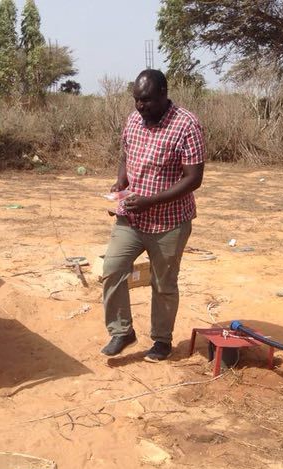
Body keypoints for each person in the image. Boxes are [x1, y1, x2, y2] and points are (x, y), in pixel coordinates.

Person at [101, 69, 206, 362]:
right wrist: (121, 182)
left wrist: (151, 201)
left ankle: (162, 339)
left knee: (163, 283)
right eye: (136, 100)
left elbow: (193, 178)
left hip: (170, 222)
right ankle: (122, 331)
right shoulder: (134, 120)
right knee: (113, 268)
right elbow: (126, 154)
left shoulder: (187, 125)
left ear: (163, 94)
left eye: (145, 100)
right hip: (132, 217)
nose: (140, 106)